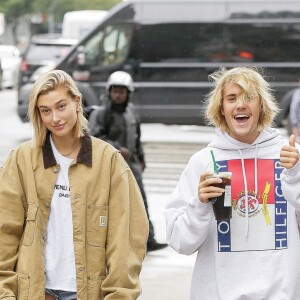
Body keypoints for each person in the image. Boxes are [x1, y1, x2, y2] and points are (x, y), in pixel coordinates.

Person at [0, 70, 149, 300]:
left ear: (77, 102)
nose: (55, 118)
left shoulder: (108, 160)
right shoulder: (21, 160)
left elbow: (127, 239)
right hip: (35, 291)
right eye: (45, 111)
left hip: (87, 292)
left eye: (61, 106)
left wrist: (119, 295)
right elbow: (4, 232)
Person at [165, 67, 300, 299]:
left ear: (261, 106)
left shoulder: (290, 157)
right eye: (231, 98)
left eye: (249, 97)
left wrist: (295, 177)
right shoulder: (204, 162)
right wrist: (199, 205)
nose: (240, 105)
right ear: (221, 109)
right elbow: (180, 243)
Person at [88, 71, 167, 252]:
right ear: (109, 92)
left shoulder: (131, 113)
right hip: (110, 168)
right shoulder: (102, 114)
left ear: (128, 93)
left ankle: (149, 240)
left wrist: (141, 158)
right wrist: (117, 148)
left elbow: (137, 138)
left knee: (140, 201)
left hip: (132, 166)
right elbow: (95, 138)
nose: (118, 95)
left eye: (122, 91)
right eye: (115, 91)